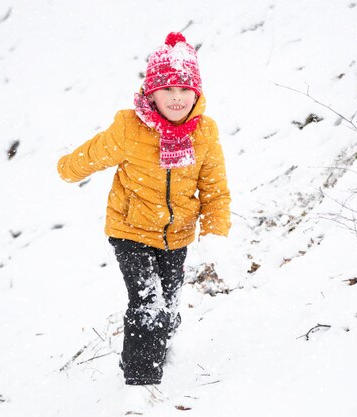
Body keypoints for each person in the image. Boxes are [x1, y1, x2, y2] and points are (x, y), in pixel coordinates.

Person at [57, 32, 231, 386]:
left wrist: (214, 233)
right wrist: (68, 167)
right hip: (130, 231)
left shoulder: (206, 133)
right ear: (151, 92)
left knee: (168, 302)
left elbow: (214, 189)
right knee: (146, 304)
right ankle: (140, 384)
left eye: (185, 90)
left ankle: (166, 352)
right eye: (168, 90)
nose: (177, 98)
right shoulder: (129, 127)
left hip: (178, 234)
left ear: (196, 93)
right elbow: (93, 154)